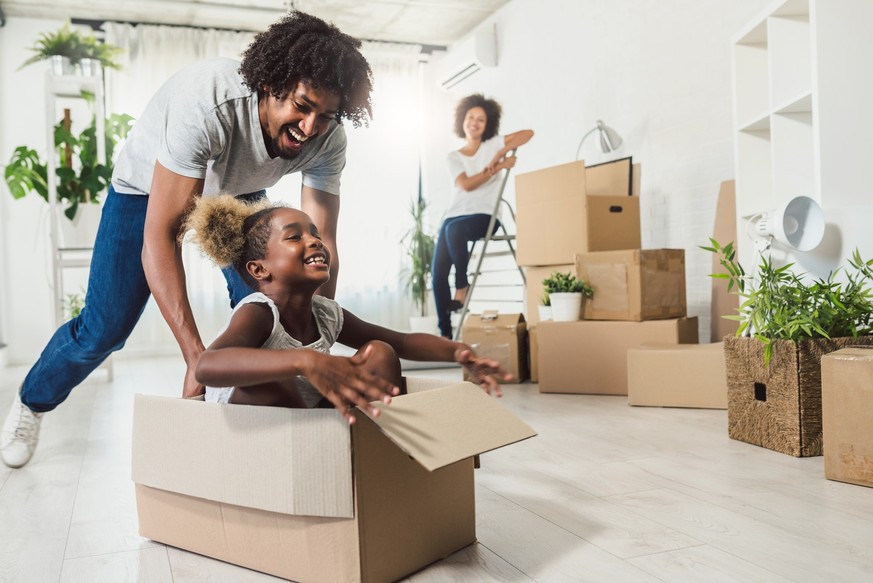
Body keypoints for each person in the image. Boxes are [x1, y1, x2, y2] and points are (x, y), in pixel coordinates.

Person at [0, 11, 374, 468]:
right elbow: (161, 236)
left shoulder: (328, 138)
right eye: (302, 105)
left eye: (326, 114)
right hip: (145, 191)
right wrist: (196, 358)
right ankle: (32, 401)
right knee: (104, 328)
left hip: (240, 190)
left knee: (272, 298)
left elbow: (322, 243)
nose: (310, 127)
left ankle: (261, 429)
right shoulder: (210, 102)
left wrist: (316, 337)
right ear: (272, 84)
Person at [188, 196, 508, 423]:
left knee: (379, 353)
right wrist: (305, 359)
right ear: (259, 270)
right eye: (294, 237)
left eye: (314, 233)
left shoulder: (326, 313)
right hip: (250, 414)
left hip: (308, 406)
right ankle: (317, 439)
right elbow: (207, 366)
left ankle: (365, 441)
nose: (314, 241)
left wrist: (457, 351)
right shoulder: (258, 311)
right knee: (277, 381)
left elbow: (402, 343)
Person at [431, 94, 533, 338]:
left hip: (485, 216)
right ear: (462, 121)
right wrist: (498, 167)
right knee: (437, 275)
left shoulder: (493, 144)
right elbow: (466, 185)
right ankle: (445, 335)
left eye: (481, 119)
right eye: (470, 117)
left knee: (453, 229)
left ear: (488, 124)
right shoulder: (453, 157)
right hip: (454, 216)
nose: (475, 122)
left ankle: (462, 286)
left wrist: (502, 152)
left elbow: (527, 133)